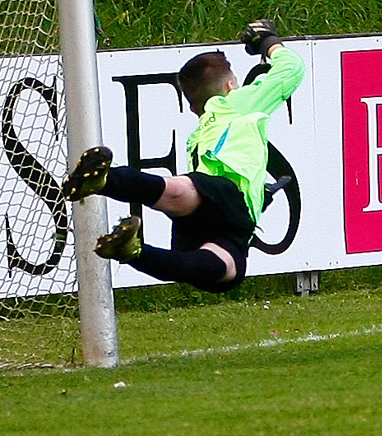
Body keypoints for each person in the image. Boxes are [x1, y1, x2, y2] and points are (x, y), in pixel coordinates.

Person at [62, 19, 305, 292]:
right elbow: (292, 69)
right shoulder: (235, 103)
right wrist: (267, 41)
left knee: (221, 267)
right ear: (229, 87)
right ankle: (109, 190)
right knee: (218, 258)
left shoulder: (199, 133)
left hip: (223, 213)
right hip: (228, 199)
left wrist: (261, 193)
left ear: (191, 107)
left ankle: (128, 243)